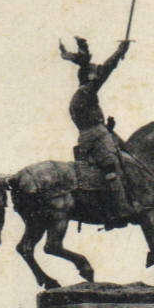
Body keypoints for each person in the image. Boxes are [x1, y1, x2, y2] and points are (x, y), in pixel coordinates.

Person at [60, 36, 136, 224]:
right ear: (89, 78)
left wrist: (108, 127)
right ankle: (120, 211)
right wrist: (119, 52)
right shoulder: (86, 92)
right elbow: (106, 70)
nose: (96, 74)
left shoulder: (79, 96)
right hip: (97, 138)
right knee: (114, 168)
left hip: (90, 137)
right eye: (93, 73)